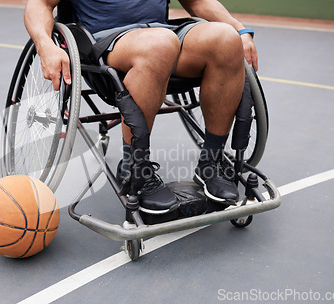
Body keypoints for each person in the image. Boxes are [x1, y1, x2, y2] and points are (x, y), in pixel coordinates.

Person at [24, 0, 258, 213]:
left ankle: (211, 162)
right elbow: (39, 5)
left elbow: (197, 2)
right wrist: (45, 45)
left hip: (167, 35)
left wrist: (239, 28)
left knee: (227, 38)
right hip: (106, 42)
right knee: (160, 44)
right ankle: (135, 168)